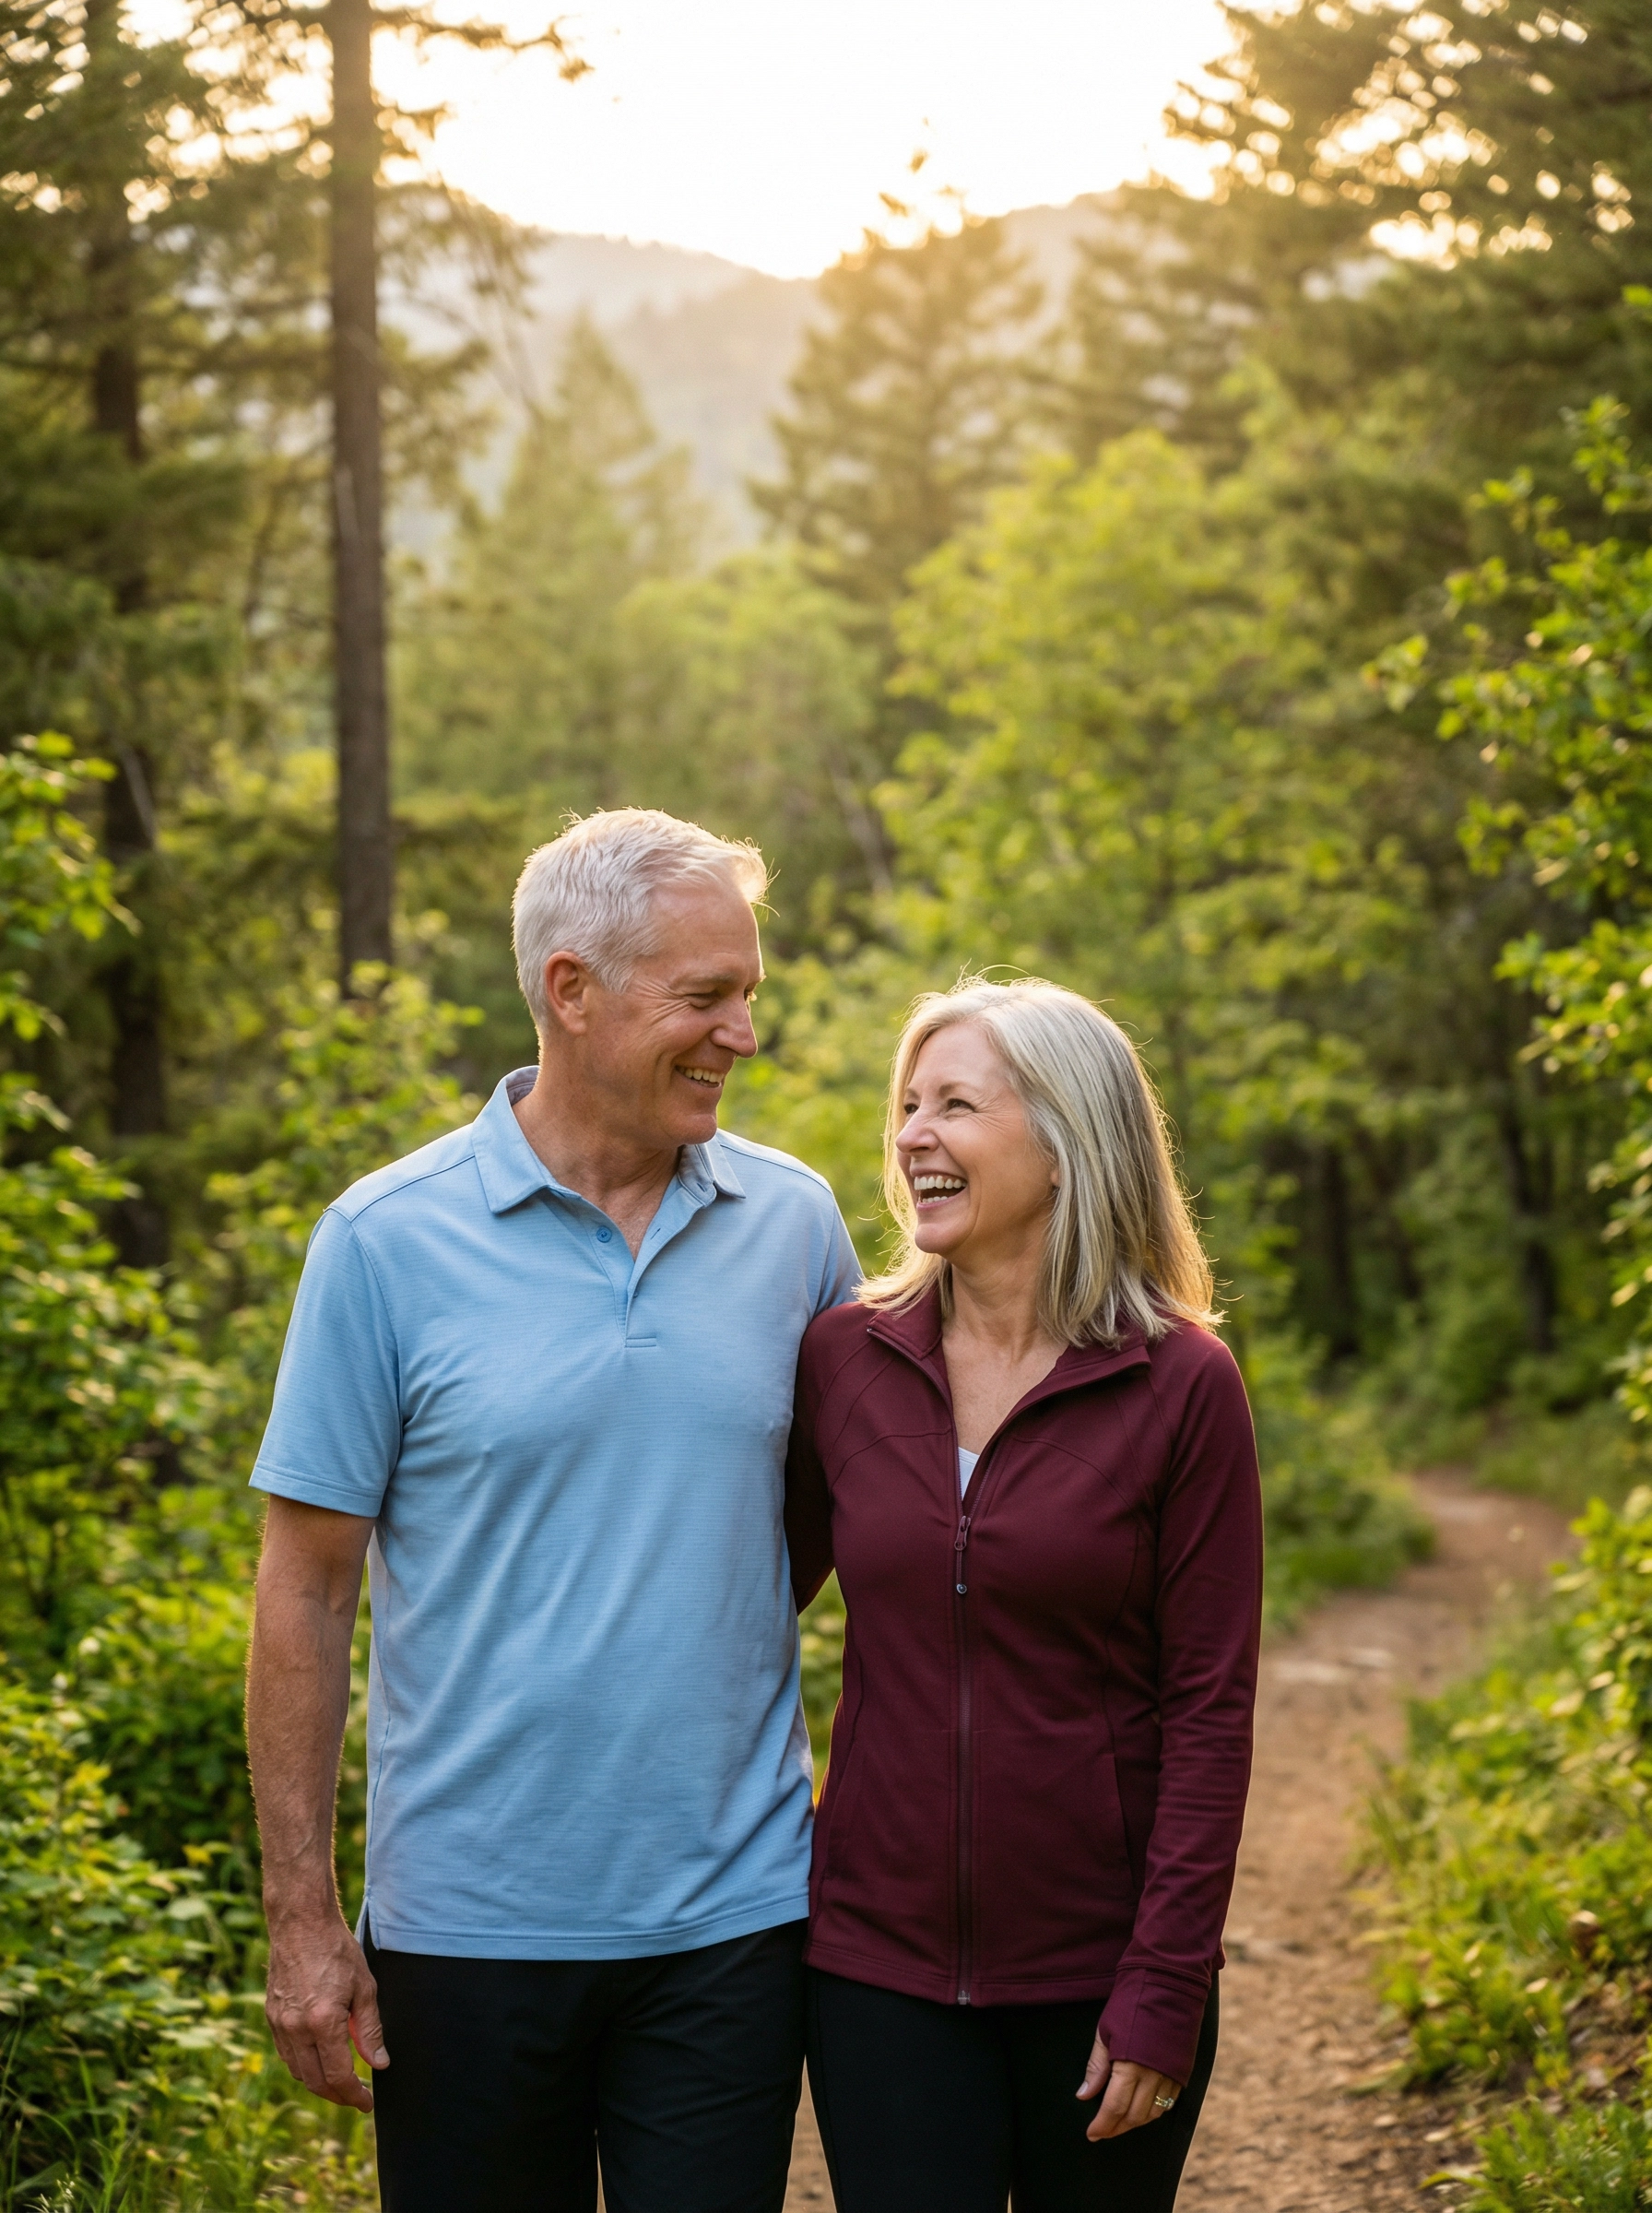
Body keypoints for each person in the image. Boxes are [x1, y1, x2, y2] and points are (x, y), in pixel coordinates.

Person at [244, 810, 859, 2213]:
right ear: (571, 991)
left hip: (732, 1923)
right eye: (705, 997)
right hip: (466, 1932)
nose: (742, 1034)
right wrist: (302, 1917)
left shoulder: (795, 1228)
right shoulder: (382, 1245)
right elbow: (306, 1590)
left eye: (749, 993)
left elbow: (837, 1512)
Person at [785, 977, 1262, 2213]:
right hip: (872, 1973)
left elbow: (1209, 1710)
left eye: (954, 1105)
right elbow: (737, 1610)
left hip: (1099, 1973)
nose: (910, 1136)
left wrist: (1166, 1982)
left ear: (1065, 1142)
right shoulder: (845, 1358)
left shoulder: (1181, 1384)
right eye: (905, 1106)